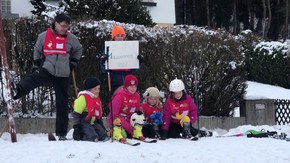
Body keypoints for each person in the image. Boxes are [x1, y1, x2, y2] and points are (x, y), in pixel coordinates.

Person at [12, 13, 82, 140]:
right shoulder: (44, 36)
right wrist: (36, 63)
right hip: (48, 68)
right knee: (33, 79)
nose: (64, 28)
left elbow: (78, 49)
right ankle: (16, 90)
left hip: (63, 73)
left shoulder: (71, 38)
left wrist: (73, 62)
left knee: (62, 103)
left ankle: (61, 133)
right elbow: (37, 50)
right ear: (55, 23)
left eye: (67, 26)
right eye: (62, 26)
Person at [101, 25, 144, 93]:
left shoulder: (129, 48)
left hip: (128, 82)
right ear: (114, 37)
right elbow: (104, 69)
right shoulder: (108, 49)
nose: (120, 38)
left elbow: (133, 68)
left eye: (122, 36)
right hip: (114, 82)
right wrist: (104, 62)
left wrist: (139, 62)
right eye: (118, 36)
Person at [107, 74, 144, 141]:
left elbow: (137, 110)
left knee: (139, 117)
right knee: (125, 133)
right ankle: (116, 132)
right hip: (118, 118)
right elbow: (114, 114)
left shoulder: (137, 96)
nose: (133, 89)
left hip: (129, 117)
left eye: (135, 87)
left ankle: (136, 133)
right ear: (126, 86)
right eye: (131, 86)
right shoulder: (119, 96)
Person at [72, 77, 108, 142]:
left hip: (93, 121)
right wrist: (76, 127)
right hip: (84, 121)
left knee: (103, 135)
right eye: (95, 89)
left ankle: (94, 133)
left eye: (98, 89)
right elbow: (76, 113)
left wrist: (101, 124)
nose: (98, 91)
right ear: (89, 90)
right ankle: (83, 135)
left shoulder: (96, 98)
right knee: (92, 137)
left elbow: (98, 113)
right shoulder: (83, 97)